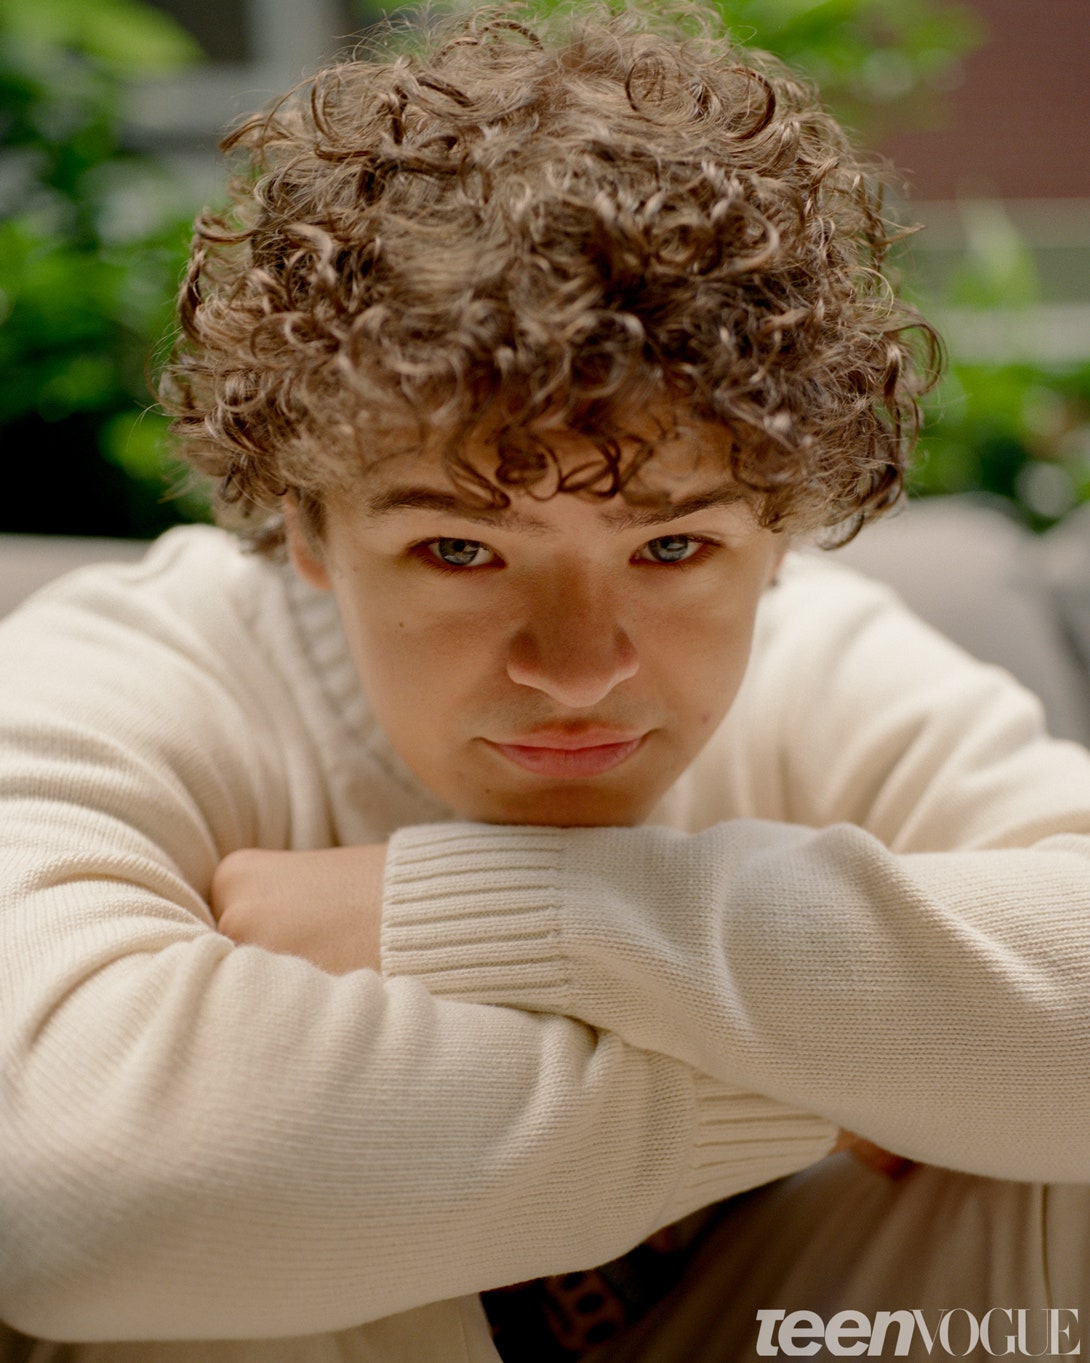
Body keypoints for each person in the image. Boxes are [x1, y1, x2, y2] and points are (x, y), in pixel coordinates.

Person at [2, 3, 1089, 1360]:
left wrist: (497, 916)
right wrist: (867, 1070)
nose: (575, 665)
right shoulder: (130, 673)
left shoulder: (821, 658)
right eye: (458, 548)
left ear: (776, 534)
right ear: (308, 532)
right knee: (190, 1276)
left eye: (672, 544)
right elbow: (70, 1201)